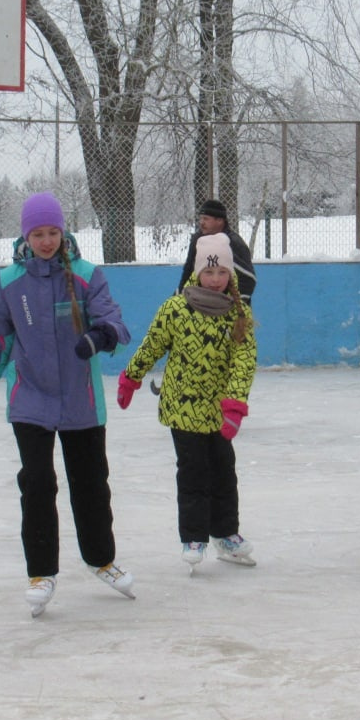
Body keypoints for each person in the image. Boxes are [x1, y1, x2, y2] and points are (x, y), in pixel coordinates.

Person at [0, 192, 135, 617]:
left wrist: (100, 336)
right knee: (37, 484)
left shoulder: (86, 275)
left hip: (81, 401)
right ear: (25, 235)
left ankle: (101, 560)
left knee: (91, 484)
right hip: (31, 400)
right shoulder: (7, 283)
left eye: (52, 232)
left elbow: (114, 321)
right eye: (37, 233)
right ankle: (40, 572)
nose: (45, 241)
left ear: (64, 231)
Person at [119, 233, 258, 571]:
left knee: (224, 473)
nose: (215, 280)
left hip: (218, 412)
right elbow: (153, 345)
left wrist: (235, 403)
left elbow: (244, 361)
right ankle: (193, 536)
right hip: (182, 409)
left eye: (221, 273)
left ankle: (225, 534)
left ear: (230, 275)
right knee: (193, 473)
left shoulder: (238, 314)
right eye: (208, 273)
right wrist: (132, 376)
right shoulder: (175, 309)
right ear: (197, 273)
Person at [178, 199, 257, 303]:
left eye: (206, 219)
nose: (201, 222)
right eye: (201, 218)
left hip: (228, 309)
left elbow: (248, 280)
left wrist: (232, 305)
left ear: (220, 221)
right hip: (199, 307)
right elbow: (188, 273)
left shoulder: (232, 243)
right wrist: (179, 297)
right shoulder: (198, 240)